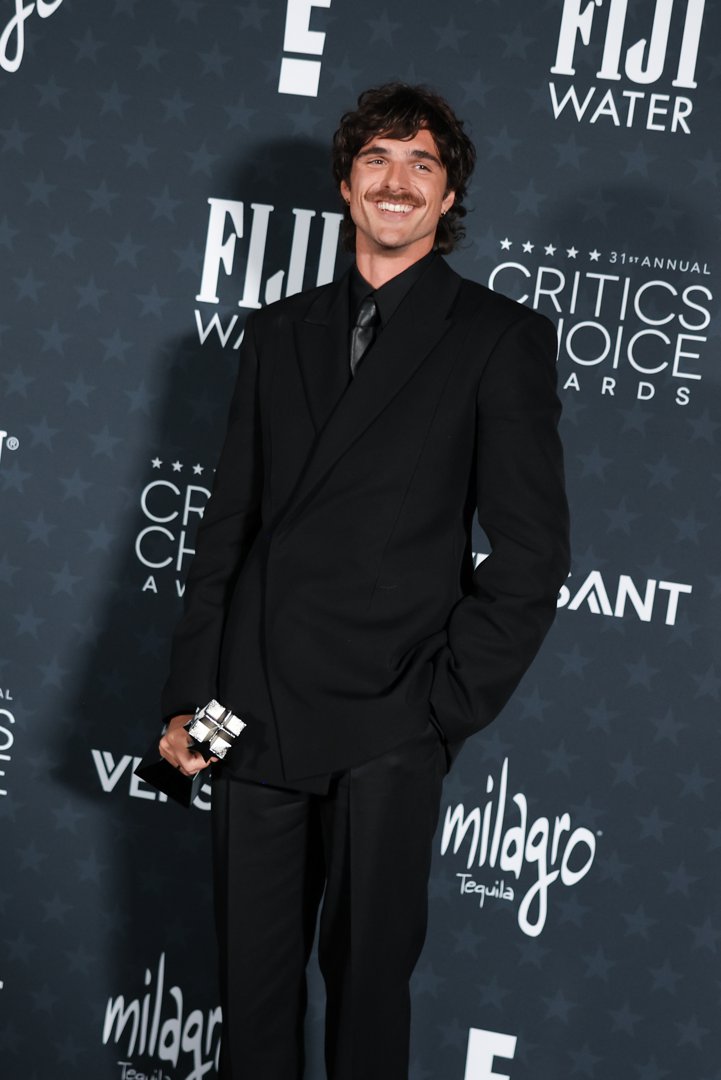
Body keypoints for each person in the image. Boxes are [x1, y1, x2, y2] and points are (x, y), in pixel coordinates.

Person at [158, 82, 570, 1080]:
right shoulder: (277, 331)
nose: (398, 181)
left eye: (421, 165)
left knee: (366, 996)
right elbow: (229, 534)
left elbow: (530, 553)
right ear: (345, 184)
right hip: (249, 712)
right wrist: (191, 707)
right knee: (248, 998)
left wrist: (436, 712)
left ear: (445, 197)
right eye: (379, 161)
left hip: (390, 722)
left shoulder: (495, 340)